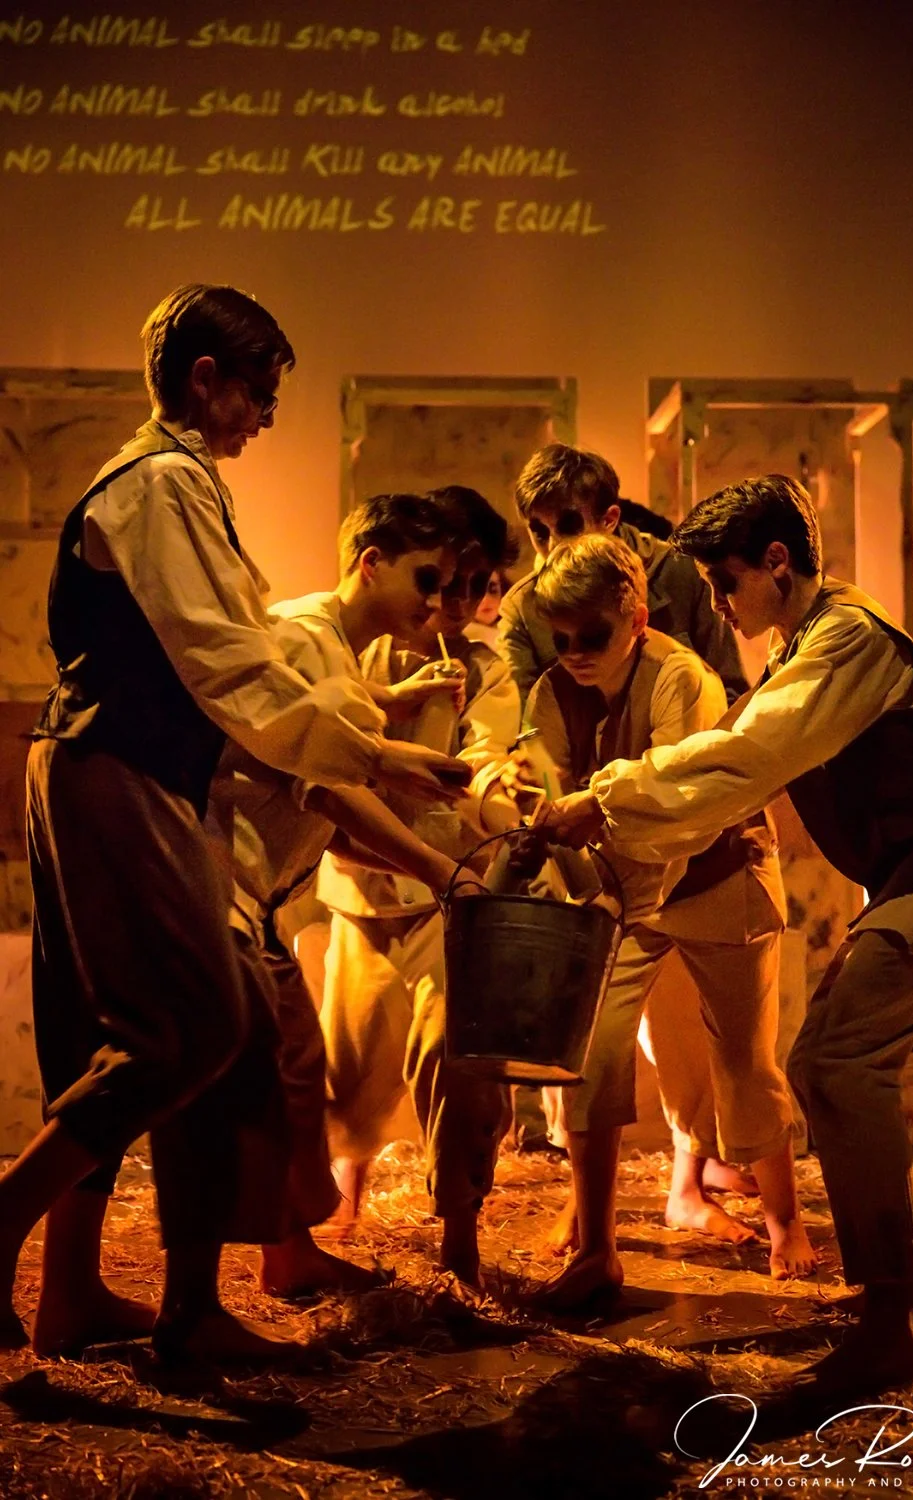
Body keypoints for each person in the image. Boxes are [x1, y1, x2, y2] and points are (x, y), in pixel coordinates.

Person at [2, 284, 467, 1361]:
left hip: (107, 761)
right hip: (121, 765)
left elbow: (229, 662)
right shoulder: (163, 482)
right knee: (201, 1023)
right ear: (206, 380)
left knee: (107, 1038)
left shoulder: (174, 483)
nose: (265, 415)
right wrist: (380, 752)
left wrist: (375, 731)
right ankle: (42, 1239)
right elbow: (227, 665)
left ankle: (81, 1297)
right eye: (258, 392)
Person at [538, 474, 913, 1395]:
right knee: (834, 1067)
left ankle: (892, 1324)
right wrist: (620, 810)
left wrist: (607, 796)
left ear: (776, 563)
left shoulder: (849, 639)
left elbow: (747, 756)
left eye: (724, 581)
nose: (715, 603)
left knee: (834, 1066)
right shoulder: (804, 648)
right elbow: (733, 765)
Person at [523, 535, 812, 1309]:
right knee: (597, 1049)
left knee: (743, 1055)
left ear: (639, 619)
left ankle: (785, 1221)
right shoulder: (554, 690)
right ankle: (596, 1245)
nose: (576, 653)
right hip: (623, 889)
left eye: (595, 636)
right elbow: (539, 784)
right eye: (562, 637)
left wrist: (595, 835)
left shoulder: (682, 678)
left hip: (718, 875)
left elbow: (683, 812)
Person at [211, 490, 479, 1301]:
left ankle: (287, 1251)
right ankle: (258, 1264)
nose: (437, 603)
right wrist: (438, 870)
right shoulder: (304, 637)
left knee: (289, 1064)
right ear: (369, 563)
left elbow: (331, 792)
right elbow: (327, 785)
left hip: (254, 892)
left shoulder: (333, 650)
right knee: (277, 1066)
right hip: (224, 883)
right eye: (423, 579)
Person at [318, 486, 523, 1287]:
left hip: (450, 892)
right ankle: (347, 1197)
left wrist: (496, 794)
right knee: (353, 1062)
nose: (457, 604)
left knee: (458, 1053)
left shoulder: (487, 669)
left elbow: (490, 760)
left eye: (475, 587)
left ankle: (459, 1226)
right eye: (444, 583)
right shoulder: (359, 646)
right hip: (361, 893)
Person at [497, 444, 746, 707]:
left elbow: (731, 693)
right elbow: (523, 724)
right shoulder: (523, 606)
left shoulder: (680, 572)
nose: (553, 544)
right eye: (539, 531)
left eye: (569, 526)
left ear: (609, 519)